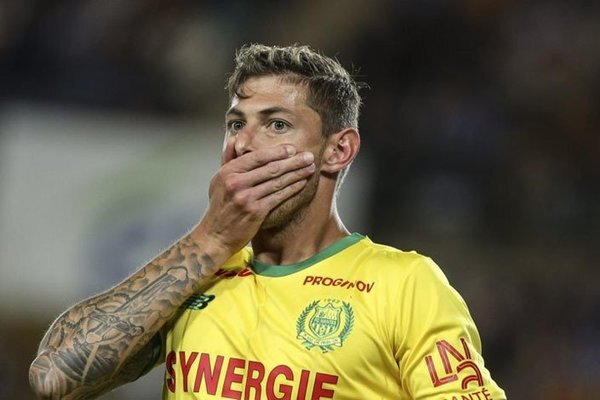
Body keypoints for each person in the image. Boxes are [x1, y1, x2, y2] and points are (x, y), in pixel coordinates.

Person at [29, 44, 506, 400]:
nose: (243, 143)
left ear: (338, 150)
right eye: (236, 124)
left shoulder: (404, 285)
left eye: (277, 125)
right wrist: (211, 239)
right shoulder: (197, 274)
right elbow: (53, 377)